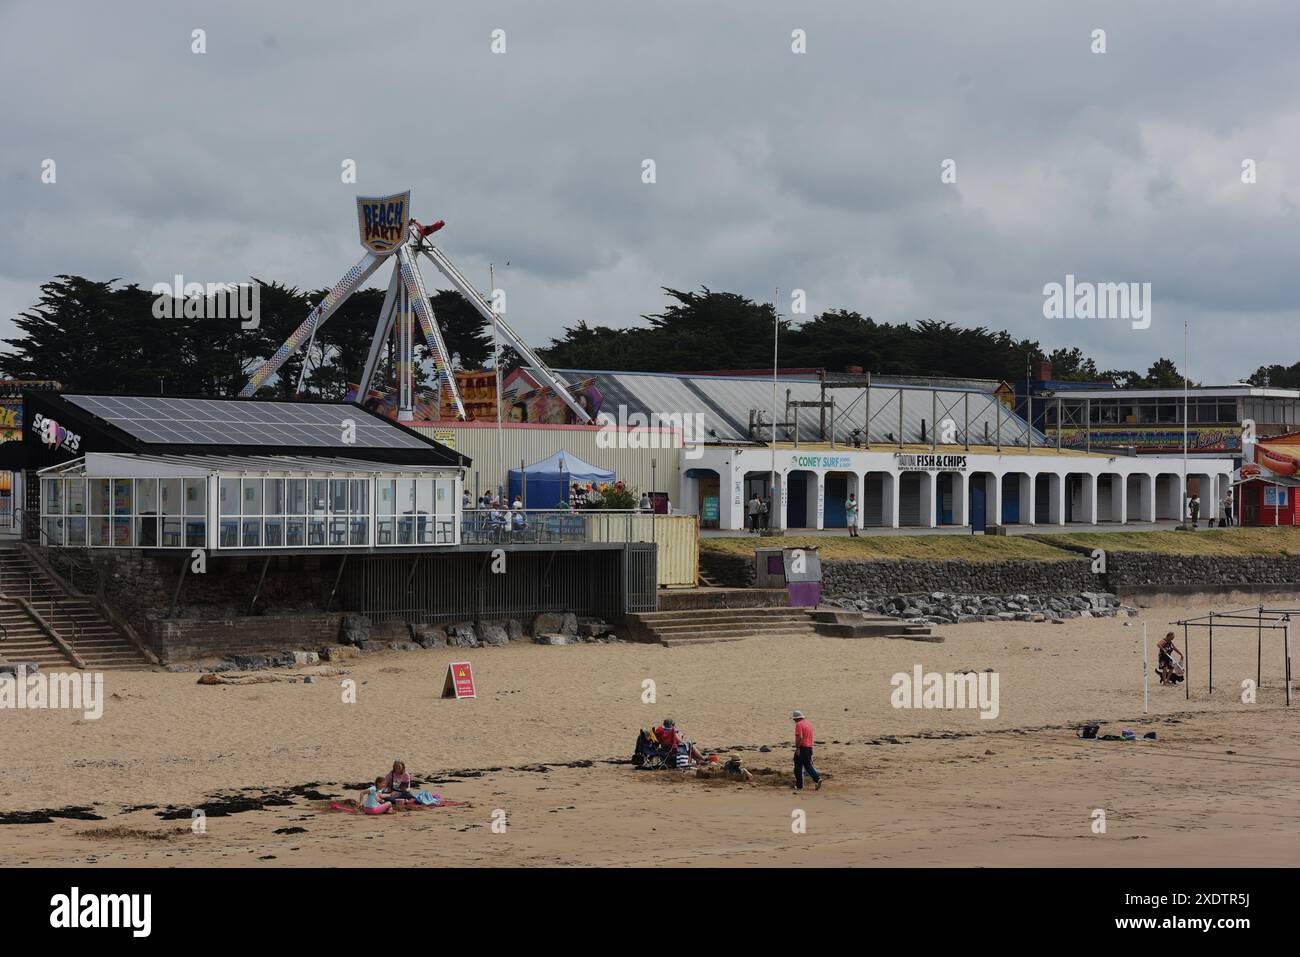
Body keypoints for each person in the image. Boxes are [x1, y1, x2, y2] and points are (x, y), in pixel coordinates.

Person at [791, 709, 821, 791]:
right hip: (809, 748)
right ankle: (817, 779)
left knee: (798, 767)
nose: (794, 721)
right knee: (808, 766)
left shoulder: (799, 725)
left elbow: (799, 737)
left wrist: (798, 748)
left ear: (796, 718)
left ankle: (799, 785)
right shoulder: (808, 724)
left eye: (794, 719)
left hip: (802, 748)